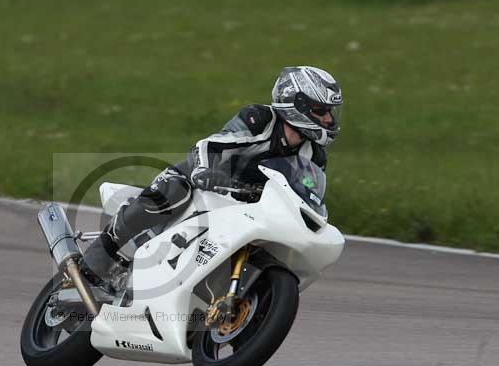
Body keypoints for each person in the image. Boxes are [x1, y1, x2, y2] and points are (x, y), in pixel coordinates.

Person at [82, 65, 343, 287]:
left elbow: (304, 193)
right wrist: (205, 170)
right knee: (173, 193)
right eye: (322, 110)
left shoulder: (314, 154)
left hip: (250, 204)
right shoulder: (260, 119)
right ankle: (102, 251)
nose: (330, 119)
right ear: (296, 105)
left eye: (331, 111)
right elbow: (210, 145)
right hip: (204, 182)